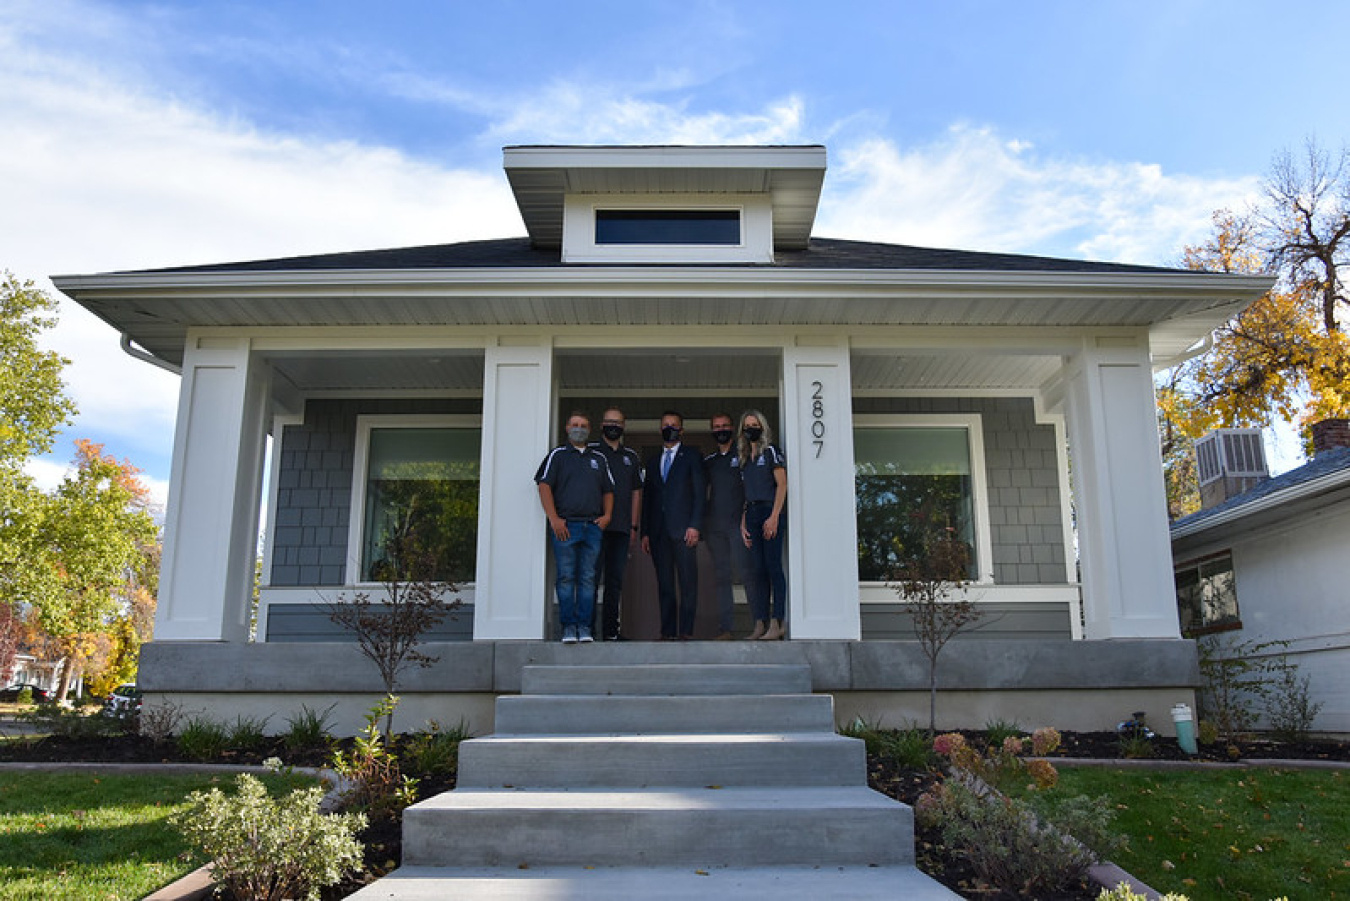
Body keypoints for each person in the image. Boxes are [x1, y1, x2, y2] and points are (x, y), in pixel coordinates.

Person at [534, 411, 613, 643]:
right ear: (567, 429)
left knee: (588, 578)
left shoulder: (599, 458)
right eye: (575, 425)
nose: (580, 428)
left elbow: (609, 490)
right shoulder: (557, 455)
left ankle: (585, 628)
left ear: (590, 430)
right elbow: (543, 485)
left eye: (584, 425)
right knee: (567, 577)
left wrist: (607, 516)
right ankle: (568, 627)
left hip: (592, 527)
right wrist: (554, 519)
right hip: (566, 527)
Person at [641, 410, 706, 640]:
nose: (670, 428)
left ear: (682, 430)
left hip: (684, 530)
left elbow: (700, 494)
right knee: (665, 584)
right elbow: (648, 499)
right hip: (658, 533)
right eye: (666, 425)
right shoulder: (651, 461)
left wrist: (695, 525)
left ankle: (686, 631)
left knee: (688, 582)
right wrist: (645, 532)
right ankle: (667, 631)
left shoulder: (691, 456)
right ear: (660, 430)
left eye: (674, 425)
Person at [589, 406, 642, 641]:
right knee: (589, 579)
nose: (614, 426)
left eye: (618, 422)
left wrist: (633, 526)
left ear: (623, 426)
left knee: (614, 582)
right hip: (593, 527)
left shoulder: (630, 457)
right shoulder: (590, 452)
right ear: (602, 425)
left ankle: (611, 632)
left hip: (621, 528)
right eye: (609, 421)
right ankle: (587, 630)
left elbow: (636, 492)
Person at [739, 409, 787, 640]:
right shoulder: (745, 458)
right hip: (752, 513)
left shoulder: (771, 451)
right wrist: (743, 522)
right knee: (757, 570)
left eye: (755, 424)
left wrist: (775, 516)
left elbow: (782, 485)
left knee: (772, 567)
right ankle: (760, 622)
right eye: (747, 425)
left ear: (762, 426)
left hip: (770, 510)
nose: (751, 429)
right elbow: (746, 494)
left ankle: (777, 623)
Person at [703, 412, 746, 641]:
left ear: (733, 428)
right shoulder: (709, 462)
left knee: (749, 574)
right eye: (716, 426)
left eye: (725, 426)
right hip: (716, 529)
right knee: (722, 577)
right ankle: (726, 628)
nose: (721, 430)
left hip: (740, 527)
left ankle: (762, 624)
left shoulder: (743, 456)